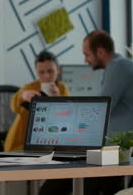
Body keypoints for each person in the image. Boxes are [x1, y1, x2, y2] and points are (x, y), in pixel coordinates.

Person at [40, 30, 133, 195]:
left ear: (101, 52)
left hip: (117, 150)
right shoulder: (117, 66)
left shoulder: (119, 66)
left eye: (87, 54)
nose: (85, 60)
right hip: (113, 149)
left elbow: (101, 109)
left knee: (58, 182)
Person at [4, 51, 69, 152]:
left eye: (50, 71)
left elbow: (67, 117)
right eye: (41, 72)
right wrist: (22, 95)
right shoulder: (30, 88)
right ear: (36, 72)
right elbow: (14, 106)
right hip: (21, 144)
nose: (46, 76)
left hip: (49, 143)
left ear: (58, 69)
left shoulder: (61, 88)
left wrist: (58, 99)